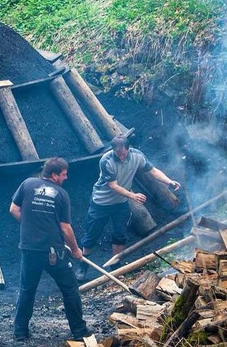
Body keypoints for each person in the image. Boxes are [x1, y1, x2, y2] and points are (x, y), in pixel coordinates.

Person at [76, 135, 181, 281]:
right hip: (101, 203)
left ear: (129, 149)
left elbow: (153, 171)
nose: (122, 157)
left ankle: (115, 266)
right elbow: (113, 186)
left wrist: (169, 182)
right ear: (113, 150)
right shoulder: (106, 161)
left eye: (124, 154)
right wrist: (133, 196)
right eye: (119, 154)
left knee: (120, 235)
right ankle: (83, 265)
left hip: (120, 203)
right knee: (92, 235)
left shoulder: (137, 156)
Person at [10, 157, 90, 342]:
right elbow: (65, 227)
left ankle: (20, 332)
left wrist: (30, 224)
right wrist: (77, 251)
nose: (66, 177)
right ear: (54, 175)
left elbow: (14, 209)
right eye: (63, 174)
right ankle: (79, 330)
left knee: (27, 290)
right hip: (54, 252)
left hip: (29, 249)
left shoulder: (27, 184)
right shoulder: (61, 194)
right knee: (70, 288)